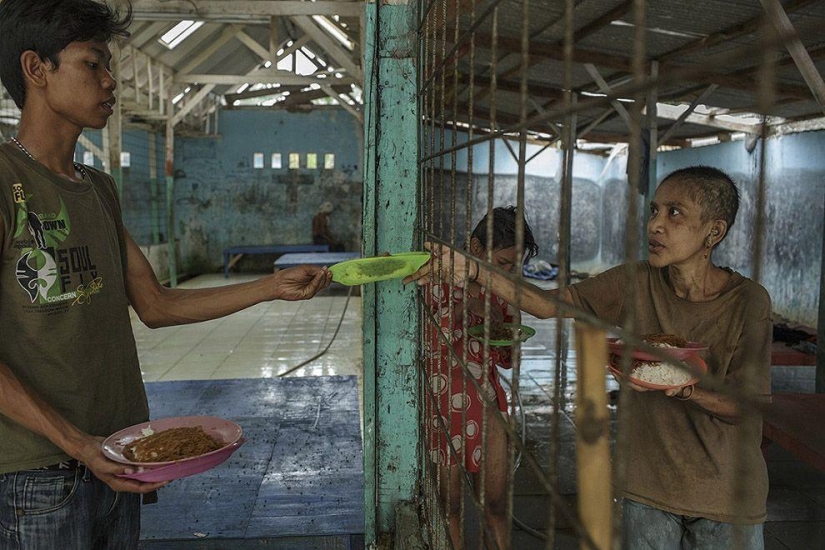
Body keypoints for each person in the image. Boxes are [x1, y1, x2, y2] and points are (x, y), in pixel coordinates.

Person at [0, 1, 331, 548]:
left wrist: (272, 287)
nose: (110, 81)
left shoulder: (98, 188)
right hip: (39, 474)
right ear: (37, 69)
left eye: (110, 67)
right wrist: (77, 444)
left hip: (119, 454)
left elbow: (156, 305)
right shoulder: (6, 180)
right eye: (93, 64)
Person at [405, 167, 771, 549]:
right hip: (647, 488)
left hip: (724, 495)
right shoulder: (636, 281)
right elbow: (549, 304)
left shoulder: (748, 302)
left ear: (714, 231)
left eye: (674, 213)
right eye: (654, 211)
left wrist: (683, 388)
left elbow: (747, 406)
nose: (655, 225)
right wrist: (477, 272)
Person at [424, 206, 538, 549]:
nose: (508, 272)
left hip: (487, 404)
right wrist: (465, 309)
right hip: (441, 406)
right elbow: (424, 343)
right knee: (448, 508)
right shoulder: (437, 274)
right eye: (503, 263)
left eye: (514, 267)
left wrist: (501, 330)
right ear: (475, 247)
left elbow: (508, 359)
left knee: (496, 506)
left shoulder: (502, 288)